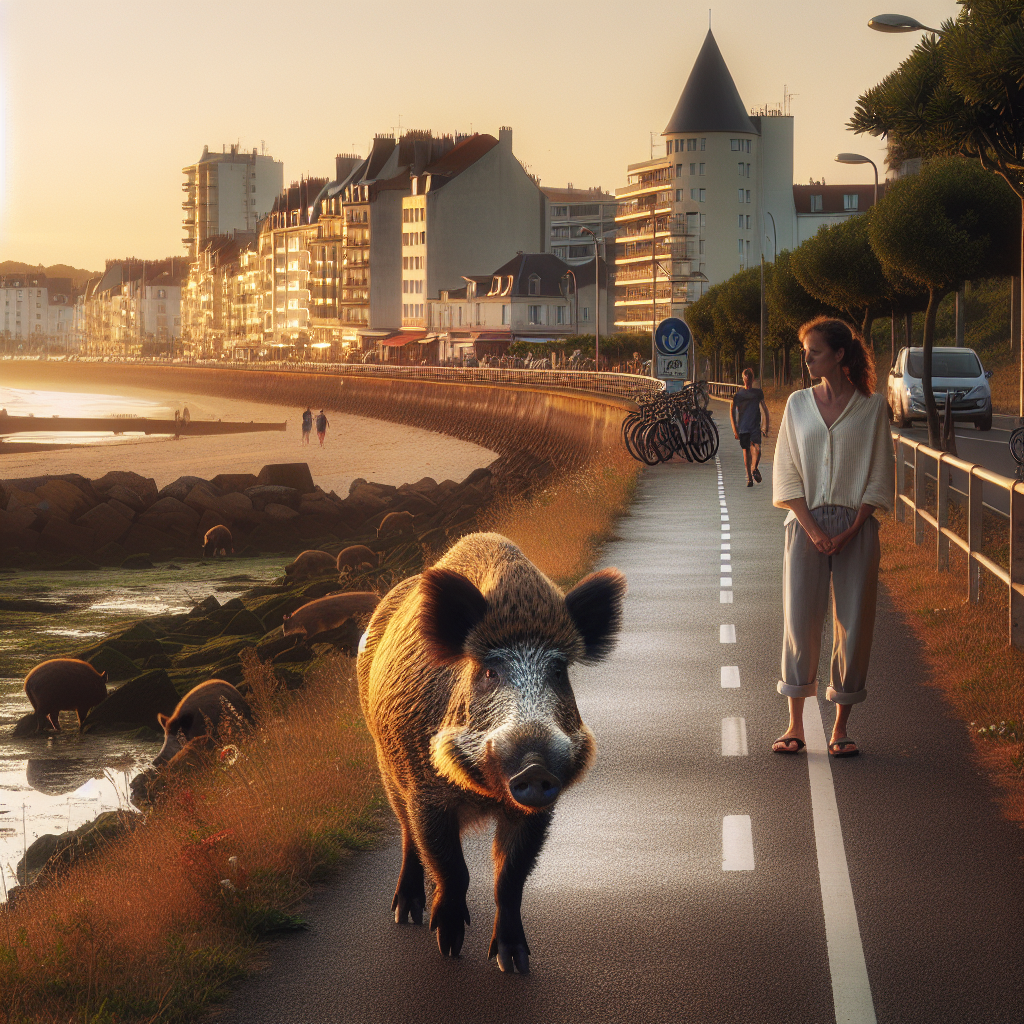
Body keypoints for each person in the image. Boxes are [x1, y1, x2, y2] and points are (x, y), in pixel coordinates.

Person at [771, 317, 894, 758]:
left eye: (814, 351)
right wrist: (814, 529)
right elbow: (785, 472)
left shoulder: (873, 406)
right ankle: (796, 724)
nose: (806, 359)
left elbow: (880, 475)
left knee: (854, 626)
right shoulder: (796, 404)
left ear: (839, 355)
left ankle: (841, 725)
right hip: (804, 527)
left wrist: (851, 529)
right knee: (800, 622)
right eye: (805, 352)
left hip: (856, 529)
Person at [730, 368, 770, 486]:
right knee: (746, 451)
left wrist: (765, 426)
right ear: (743, 379)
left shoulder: (758, 393)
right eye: (745, 379)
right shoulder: (738, 394)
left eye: (749, 379)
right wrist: (734, 429)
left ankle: (754, 468)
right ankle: (749, 478)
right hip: (743, 427)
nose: (747, 382)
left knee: (757, 449)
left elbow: (764, 409)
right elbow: (731, 411)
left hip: (755, 426)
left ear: (752, 379)